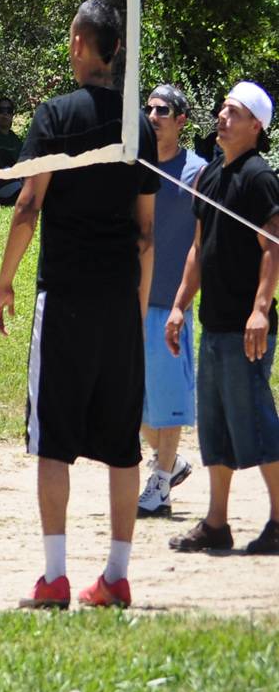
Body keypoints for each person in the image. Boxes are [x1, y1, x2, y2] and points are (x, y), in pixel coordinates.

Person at [0, 0, 157, 609]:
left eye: (70, 38)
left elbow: (28, 204)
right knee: (120, 445)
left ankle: (55, 576)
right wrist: (136, 312)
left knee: (53, 440)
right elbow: (146, 235)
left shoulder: (55, 116)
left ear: (84, 44)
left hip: (63, 297)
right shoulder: (138, 125)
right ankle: (116, 575)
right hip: (118, 301)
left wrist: (4, 282)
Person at [165, 81, 279, 556]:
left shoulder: (259, 177)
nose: (221, 117)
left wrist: (261, 309)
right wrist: (179, 303)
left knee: (256, 422)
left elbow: (273, 245)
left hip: (244, 327)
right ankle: (216, 523)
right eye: (222, 110)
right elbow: (197, 246)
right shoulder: (210, 176)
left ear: (256, 125)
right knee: (213, 426)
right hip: (213, 324)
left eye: (233, 112)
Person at [137, 83, 206, 518]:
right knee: (129, 402)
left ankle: (160, 483)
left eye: (162, 110)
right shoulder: (136, 165)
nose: (153, 115)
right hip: (132, 300)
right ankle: (172, 462)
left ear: (181, 120)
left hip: (171, 303)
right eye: (148, 108)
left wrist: (184, 302)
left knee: (168, 401)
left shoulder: (197, 172)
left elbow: (204, 242)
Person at [0, 96, 26, 205]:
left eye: (9, 111)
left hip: (19, 183)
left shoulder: (15, 139)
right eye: (1, 110)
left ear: (12, 115)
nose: (5, 114)